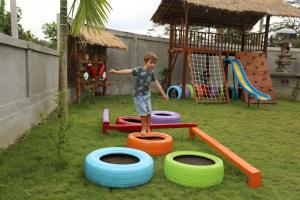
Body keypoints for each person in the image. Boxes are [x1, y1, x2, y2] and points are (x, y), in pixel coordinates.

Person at [109, 52, 168, 134]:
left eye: (154, 63)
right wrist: (116, 72)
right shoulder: (139, 70)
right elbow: (128, 71)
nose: (152, 65)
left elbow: (158, 84)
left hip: (147, 95)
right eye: (150, 62)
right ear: (145, 62)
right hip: (138, 95)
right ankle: (143, 128)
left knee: (149, 112)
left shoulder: (152, 74)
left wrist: (164, 95)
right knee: (143, 112)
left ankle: (148, 127)